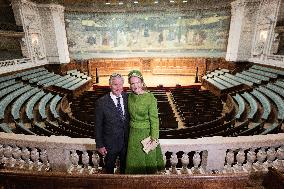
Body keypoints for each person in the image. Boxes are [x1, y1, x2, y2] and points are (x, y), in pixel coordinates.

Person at [125, 70, 165, 174]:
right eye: (132, 83)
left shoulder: (150, 97)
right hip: (133, 134)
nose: (135, 85)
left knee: (148, 164)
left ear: (142, 82)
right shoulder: (129, 97)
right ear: (130, 85)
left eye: (137, 82)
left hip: (146, 135)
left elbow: (155, 119)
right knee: (134, 164)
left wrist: (154, 137)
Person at [95, 73, 129, 174]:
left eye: (120, 84)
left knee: (125, 170)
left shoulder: (128, 98)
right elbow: (98, 126)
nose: (118, 87)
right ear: (110, 85)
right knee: (109, 170)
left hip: (126, 143)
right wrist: (100, 145)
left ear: (123, 85)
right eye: (115, 84)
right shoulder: (101, 102)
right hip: (110, 145)